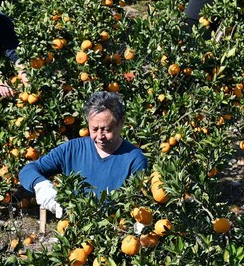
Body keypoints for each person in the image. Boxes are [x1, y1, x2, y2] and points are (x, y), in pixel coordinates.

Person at [19, 92, 148, 218]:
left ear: (121, 122)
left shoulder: (134, 159)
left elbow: (138, 205)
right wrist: (41, 186)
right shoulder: (72, 149)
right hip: (75, 234)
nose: (100, 136)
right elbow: (28, 170)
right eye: (94, 129)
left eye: (107, 130)